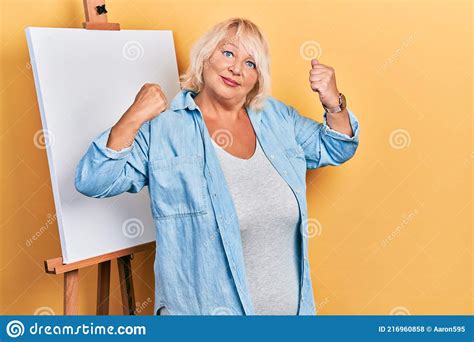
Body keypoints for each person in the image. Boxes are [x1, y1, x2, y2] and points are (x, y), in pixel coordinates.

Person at [75, 17, 360, 315]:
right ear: (205, 56)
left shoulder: (278, 119)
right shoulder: (163, 129)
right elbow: (93, 180)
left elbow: (337, 146)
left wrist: (333, 103)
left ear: (258, 79)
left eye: (251, 64)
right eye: (228, 53)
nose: (237, 68)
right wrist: (132, 117)